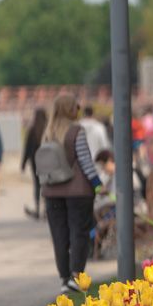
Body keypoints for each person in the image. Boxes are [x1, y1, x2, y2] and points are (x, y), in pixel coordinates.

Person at [41, 94, 105, 295]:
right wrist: (97, 184)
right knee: (79, 232)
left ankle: (64, 278)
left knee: (59, 235)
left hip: (52, 192)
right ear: (71, 109)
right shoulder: (76, 131)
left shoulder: (48, 133)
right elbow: (85, 161)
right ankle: (77, 274)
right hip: (78, 191)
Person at [22, 108, 48, 219]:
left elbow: (27, 148)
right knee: (46, 185)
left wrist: (23, 163)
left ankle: (37, 208)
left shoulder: (32, 130)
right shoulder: (48, 130)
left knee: (37, 185)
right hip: (47, 162)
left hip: (35, 162)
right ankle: (46, 209)